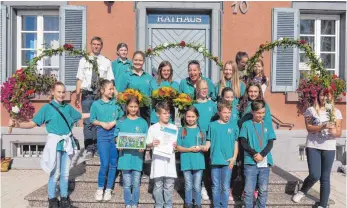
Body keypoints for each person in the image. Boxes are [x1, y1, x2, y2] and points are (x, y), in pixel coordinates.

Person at [9, 82, 89, 208]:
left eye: (63, 92)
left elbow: (80, 116)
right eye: (59, 92)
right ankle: (52, 199)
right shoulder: (47, 109)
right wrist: (17, 124)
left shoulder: (68, 108)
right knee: (55, 172)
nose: (62, 94)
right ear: (53, 92)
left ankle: (64, 198)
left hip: (66, 144)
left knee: (65, 173)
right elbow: (32, 123)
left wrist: (96, 115)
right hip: (54, 145)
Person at [292, 89, 342, 208]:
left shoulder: (336, 112)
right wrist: (322, 126)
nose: (324, 98)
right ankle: (302, 191)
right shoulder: (310, 110)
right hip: (313, 145)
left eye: (327, 95)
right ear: (318, 96)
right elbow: (309, 128)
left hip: (329, 147)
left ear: (331, 96)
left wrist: (334, 131)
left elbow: (339, 132)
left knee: (325, 177)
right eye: (321, 95)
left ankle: (323, 205)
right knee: (314, 174)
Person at [75, 36, 115, 159]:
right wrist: (77, 95)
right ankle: (88, 148)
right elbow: (79, 79)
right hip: (87, 94)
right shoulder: (84, 60)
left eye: (98, 44)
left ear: (101, 46)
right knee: (87, 122)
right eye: (94, 44)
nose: (96, 46)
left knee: (98, 121)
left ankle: (98, 147)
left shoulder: (106, 61)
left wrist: (113, 94)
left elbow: (110, 80)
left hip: (99, 95)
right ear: (91, 45)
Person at [90, 79, 124, 201]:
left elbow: (121, 117)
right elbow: (92, 119)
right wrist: (102, 123)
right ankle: (100, 188)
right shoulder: (96, 104)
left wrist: (114, 122)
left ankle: (109, 189)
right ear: (102, 90)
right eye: (110, 89)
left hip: (114, 134)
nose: (112, 91)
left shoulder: (116, 103)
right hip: (102, 134)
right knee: (104, 163)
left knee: (113, 163)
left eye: (113, 89)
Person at [239, 99, 276, 208]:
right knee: (249, 191)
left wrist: (262, 154)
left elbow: (270, 143)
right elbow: (243, 142)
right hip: (250, 162)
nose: (261, 115)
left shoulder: (268, 125)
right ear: (252, 112)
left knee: (263, 190)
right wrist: (255, 154)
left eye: (263, 113)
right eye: (258, 113)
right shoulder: (246, 124)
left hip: (264, 162)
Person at [115, 96, 148, 208]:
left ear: (138, 107)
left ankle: (134, 203)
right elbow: (116, 136)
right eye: (131, 106)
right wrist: (119, 143)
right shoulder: (121, 121)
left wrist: (143, 147)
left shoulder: (143, 122)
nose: (133, 109)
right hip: (124, 158)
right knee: (127, 184)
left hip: (137, 158)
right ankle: (128, 203)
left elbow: (146, 139)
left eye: (135, 106)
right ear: (126, 107)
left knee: (136, 183)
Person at [205, 100, 239, 208]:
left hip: (228, 161)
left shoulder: (234, 126)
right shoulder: (212, 125)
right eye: (225, 112)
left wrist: (234, 158)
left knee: (225, 186)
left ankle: (223, 206)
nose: (227, 115)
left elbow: (236, 143)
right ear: (219, 112)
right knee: (215, 186)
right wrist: (202, 147)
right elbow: (208, 141)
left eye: (229, 112)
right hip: (215, 160)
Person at [146, 102, 178, 208]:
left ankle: (168, 205)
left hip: (169, 160)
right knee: (158, 185)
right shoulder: (153, 128)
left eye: (168, 113)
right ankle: (159, 204)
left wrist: (175, 145)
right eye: (164, 113)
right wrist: (152, 144)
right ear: (158, 114)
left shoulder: (174, 128)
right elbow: (147, 144)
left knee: (169, 185)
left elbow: (176, 145)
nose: (167, 115)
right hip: (158, 161)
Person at [177, 106, 207, 208]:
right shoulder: (182, 130)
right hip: (186, 162)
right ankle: (188, 203)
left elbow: (205, 146)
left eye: (193, 116)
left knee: (197, 185)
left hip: (198, 162)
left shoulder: (201, 130)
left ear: (197, 117)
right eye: (188, 116)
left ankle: (198, 203)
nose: (190, 119)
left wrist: (201, 147)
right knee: (188, 184)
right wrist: (190, 149)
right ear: (185, 117)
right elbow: (178, 147)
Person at [193, 79, 217, 201]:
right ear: (197, 89)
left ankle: (210, 187)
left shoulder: (212, 104)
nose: (204, 91)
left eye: (206, 88)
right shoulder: (194, 105)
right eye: (201, 88)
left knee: (210, 165)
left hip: (211, 140)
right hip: (199, 139)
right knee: (200, 165)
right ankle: (201, 187)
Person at [124, 51, 153, 125]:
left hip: (145, 111)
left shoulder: (149, 77)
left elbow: (151, 94)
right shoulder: (127, 76)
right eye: (136, 60)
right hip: (131, 110)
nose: (138, 62)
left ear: (143, 61)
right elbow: (122, 94)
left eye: (140, 60)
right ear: (132, 60)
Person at [150, 61, 179, 125]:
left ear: (171, 71)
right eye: (164, 70)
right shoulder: (153, 83)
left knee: (169, 134)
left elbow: (177, 102)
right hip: (156, 118)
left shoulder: (175, 85)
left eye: (168, 70)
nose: (166, 72)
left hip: (169, 118)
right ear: (160, 71)